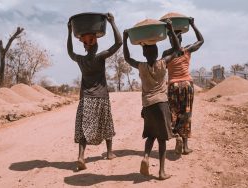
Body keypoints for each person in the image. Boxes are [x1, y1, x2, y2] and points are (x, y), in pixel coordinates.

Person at [123, 19, 179, 180]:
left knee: (150, 135)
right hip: (161, 103)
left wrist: (126, 39)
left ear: (144, 54)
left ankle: (146, 157)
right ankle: (161, 172)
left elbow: (127, 58)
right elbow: (177, 49)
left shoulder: (141, 66)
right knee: (162, 139)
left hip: (147, 105)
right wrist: (170, 29)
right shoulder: (163, 63)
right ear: (156, 52)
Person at [67, 13, 122, 171]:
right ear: (92, 45)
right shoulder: (100, 57)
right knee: (106, 124)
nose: (97, 43)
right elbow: (118, 43)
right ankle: (110, 152)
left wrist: (69, 32)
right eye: (95, 41)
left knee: (84, 128)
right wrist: (112, 22)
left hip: (86, 99)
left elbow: (70, 51)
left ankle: (81, 157)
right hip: (101, 97)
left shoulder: (81, 60)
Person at [162, 17, 204, 155]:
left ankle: (178, 137)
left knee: (174, 114)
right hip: (187, 84)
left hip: (173, 85)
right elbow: (201, 40)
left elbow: (162, 69)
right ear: (180, 39)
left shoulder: (167, 54)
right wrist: (193, 24)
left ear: (170, 38)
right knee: (186, 115)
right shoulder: (187, 50)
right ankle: (185, 146)